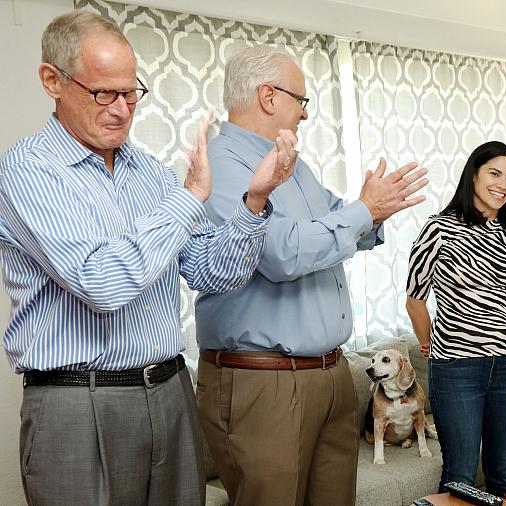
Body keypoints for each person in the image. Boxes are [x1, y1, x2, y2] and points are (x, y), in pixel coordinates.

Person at [0, 11, 295, 506]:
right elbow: (102, 282)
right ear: (52, 80)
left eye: (131, 92)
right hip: (78, 402)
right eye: (103, 93)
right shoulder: (29, 169)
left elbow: (210, 271)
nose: (121, 109)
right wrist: (190, 196)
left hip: (169, 390)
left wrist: (254, 201)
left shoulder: (151, 174)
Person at [193, 45, 428, 506]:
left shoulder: (295, 166)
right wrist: (362, 211)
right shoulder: (221, 165)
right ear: (267, 96)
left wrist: (371, 211)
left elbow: (341, 223)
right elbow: (282, 254)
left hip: (329, 373)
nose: (305, 114)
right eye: (301, 100)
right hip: (266, 380)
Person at [406, 141, 506, 497]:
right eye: (494, 173)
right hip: (456, 367)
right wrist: (430, 343)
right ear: (474, 174)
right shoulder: (439, 229)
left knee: (503, 473)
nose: (503, 184)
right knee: (460, 473)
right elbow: (415, 300)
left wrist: (492, 328)